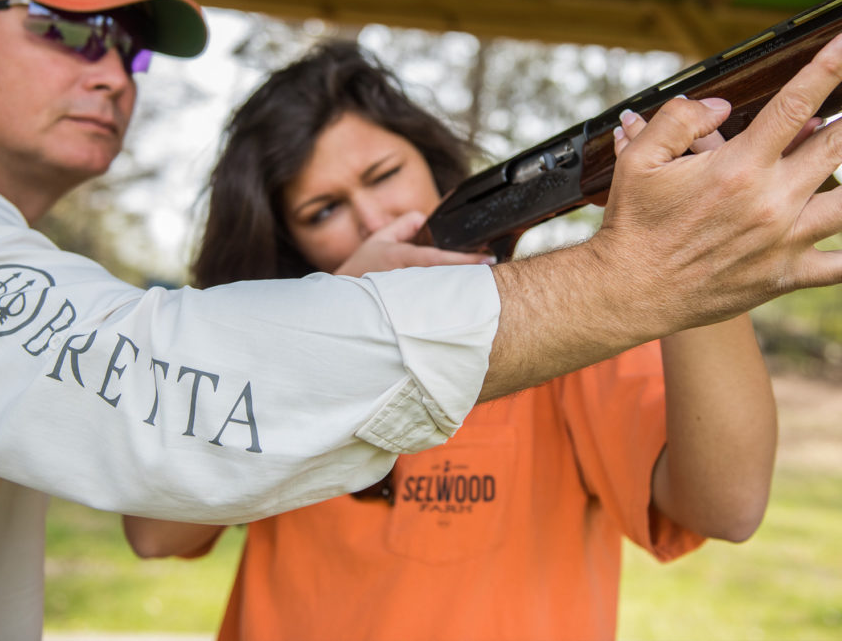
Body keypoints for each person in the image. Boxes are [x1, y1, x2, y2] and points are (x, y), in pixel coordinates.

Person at [0, 0, 842, 640]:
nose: (112, 73)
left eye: (127, 46)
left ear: (439, 156)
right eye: (66, 29)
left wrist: (676, 274)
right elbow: (155, 498)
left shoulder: (557, 322)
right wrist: (339, 307)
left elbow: (721, 503)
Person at [123, 42, 778, 640]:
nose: (374, 219)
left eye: (383, 175)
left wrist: (695, 257)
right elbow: (154, 533)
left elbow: (728, 507)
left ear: (436, 170)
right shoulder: (275, 349)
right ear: (288, 245)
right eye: (323, 211)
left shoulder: (567, 320)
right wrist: (328, 321)